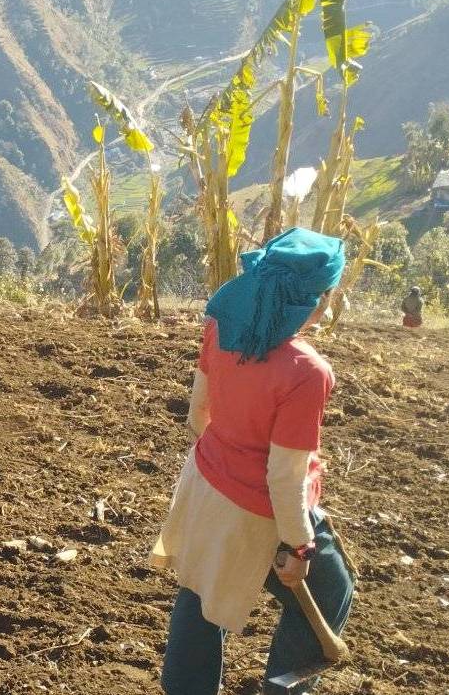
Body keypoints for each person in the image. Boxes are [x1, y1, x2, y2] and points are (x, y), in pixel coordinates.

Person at [151, 228, 354, 694]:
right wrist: (298, 547)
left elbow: (198, 415)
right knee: (329, 589)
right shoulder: (307, 373)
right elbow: (284, 477)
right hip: (263, 509)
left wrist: (229, 455)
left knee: (203, 592)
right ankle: (283, 687)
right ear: (318, 301)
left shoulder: (222, 327)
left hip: (204, 485)